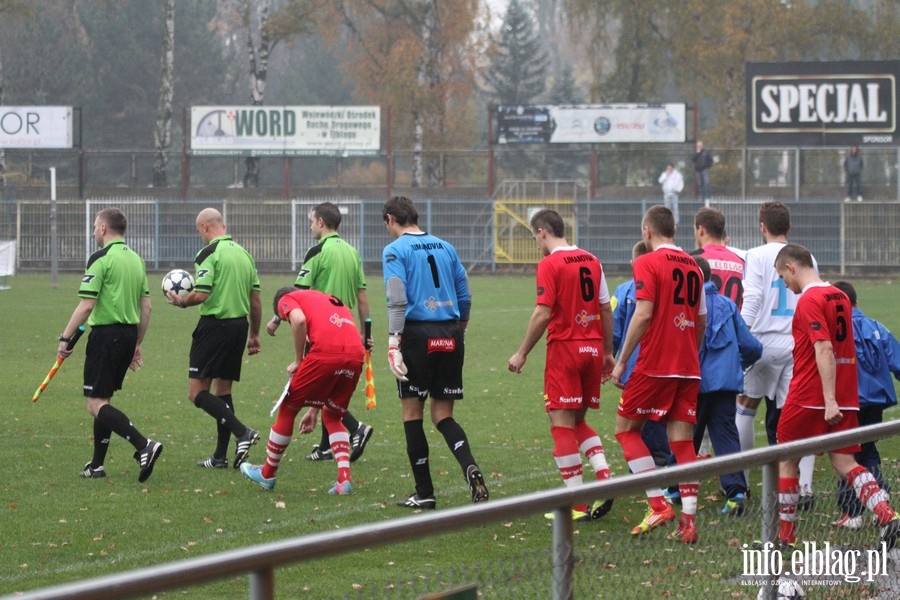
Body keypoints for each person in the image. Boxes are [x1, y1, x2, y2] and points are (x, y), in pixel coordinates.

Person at [772, 244, 899, 550]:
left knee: (785, 459)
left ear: (791, 267)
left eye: (781, 276)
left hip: (810, 395)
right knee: (845, 461)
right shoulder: (839, 295)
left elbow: (824, 348)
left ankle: (785, 537)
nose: (784, 284)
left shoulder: (809, 300)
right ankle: (886, 514)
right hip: (846, 395)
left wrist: (828, 400)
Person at [507, 209, 616, 522]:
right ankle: (605, 477)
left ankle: (577, 505)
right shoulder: (592, 261)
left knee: (561, 424)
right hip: (593, 349)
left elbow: (543, 313)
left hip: (565, 350)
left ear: (542, 231)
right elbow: (605, 308)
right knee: (578, 421)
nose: (536, 243)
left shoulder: (550, 263)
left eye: (534, 237)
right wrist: (607, 352)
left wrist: (522, 352)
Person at [381, 195, 488, 509]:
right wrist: (460, 330)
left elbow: (397, 298)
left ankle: (425, 492)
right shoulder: (446, 247)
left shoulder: (394, 250)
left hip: (416, 334)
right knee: (443, 415)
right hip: (451, 331)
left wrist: (392, 342)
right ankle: (470, 466)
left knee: (412, 414)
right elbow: (464, 295)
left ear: (390, 218)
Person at [611, 205, 707, 544]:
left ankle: (658, 503)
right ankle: (689, 522)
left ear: (646, 231)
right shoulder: (694, 266)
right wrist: (689, 353)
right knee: (683, 442)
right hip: (688, 368)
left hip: (655, 365)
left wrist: (622, 361)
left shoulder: (647, 262)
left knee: (626, 430)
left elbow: (643, 314)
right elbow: (701, 319)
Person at [59, 207, 162, 483]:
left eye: (95, 226)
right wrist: (136, 343)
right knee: (103, 398)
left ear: (103, 228)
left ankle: (144, 445)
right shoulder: (136, 260)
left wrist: (65, 338)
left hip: (106, 336)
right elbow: (147, 307)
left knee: (95, 404)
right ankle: (96, 465)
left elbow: (87, 304)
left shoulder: (100, 258)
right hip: (128, 335)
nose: (93, 231)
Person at [266, 202, 374, 464]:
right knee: (332, 384)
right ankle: (327, 447)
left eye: (311, 220)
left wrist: (276, 319)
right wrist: (365, 332)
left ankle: (355, 427)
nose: (310, 224)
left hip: (323, 327)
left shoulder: (317, 251)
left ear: (321, 222)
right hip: (346, 328)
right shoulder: (352, 252)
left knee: (313, 385)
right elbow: (362, 296)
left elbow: (296, 293)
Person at [241, 288, 365, 493]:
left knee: (288, 407)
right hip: (356, 355)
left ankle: (267, 474)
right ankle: (344, 481)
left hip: (326, 352)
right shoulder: (324, 298)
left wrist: (299, 361)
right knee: (333, 414)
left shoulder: (286, 299)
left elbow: (298, 320)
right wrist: (313, 411)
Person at [167, 207, 261, 471]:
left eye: (199, 231)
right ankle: (220, 456)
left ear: (206, 227)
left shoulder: (208, 253)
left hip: (214, 327)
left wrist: (182, 302)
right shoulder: (244, 254)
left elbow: (201, 294)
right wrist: (254, 334)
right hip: (239, 327)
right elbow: (255, 300)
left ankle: (243, 432)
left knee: (196, 392)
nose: (200, 236)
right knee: (223, 390)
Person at [737, 202, 817, 508]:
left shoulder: (754, 255)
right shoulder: (805, 255)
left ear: (762, 227)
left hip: (763, 341)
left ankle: (741, 484)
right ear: (789, 226)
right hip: (797, 343)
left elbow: (754, 296)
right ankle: (805, 487)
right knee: (799, 415)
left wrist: (741, 333)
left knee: (745, 406)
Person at [693, 256, 762, 516]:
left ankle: (677, 488)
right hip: (725, 384)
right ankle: (736, 493)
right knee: (725, 435)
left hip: (695, 384)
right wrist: (737, 363)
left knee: (686, 436)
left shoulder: (687, 307)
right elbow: (752, 346)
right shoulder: (728, 305)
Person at [830, 281, 899, 529]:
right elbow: (897, 359)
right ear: (856, 302)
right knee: (867, 448)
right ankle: (879, 494)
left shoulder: (836, 330)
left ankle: (853, 512)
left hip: (848, 401)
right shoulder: (876, 327)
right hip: (875, 400)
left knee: (846, 453)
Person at [691, 207, 745, 309]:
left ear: (701, 230)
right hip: (732, 323)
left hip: (705, 323)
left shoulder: (693, 260)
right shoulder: (741, 262)